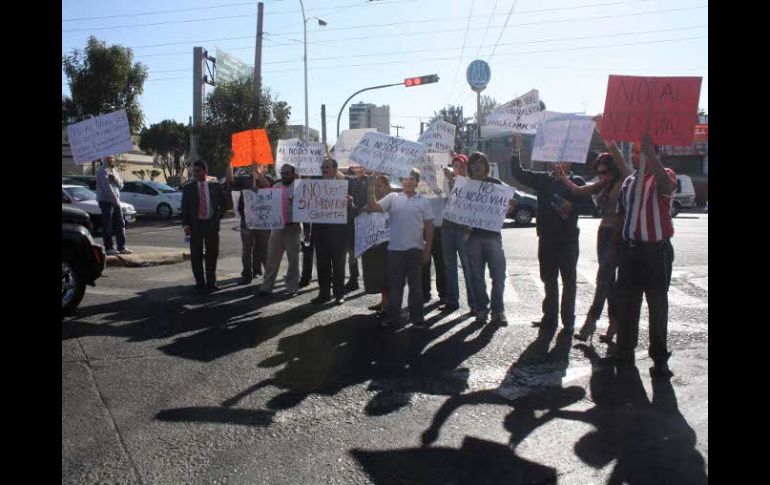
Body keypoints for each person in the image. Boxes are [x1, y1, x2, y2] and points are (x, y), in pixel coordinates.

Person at [554, 118, 632, 344]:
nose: (602, 175)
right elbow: (579, 191)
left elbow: (618, 157)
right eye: (599, 172)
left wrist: (605, 135)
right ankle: (614, 325)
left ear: (613, 169)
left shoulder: (624, 179)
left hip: (618, 234)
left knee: (603, 279)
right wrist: (563, 178)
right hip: (603, 233)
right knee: (609, 283)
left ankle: (590, 322)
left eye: (605, 171)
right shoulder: (604, 184)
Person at [612, 133, 678, 378]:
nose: (635, 156)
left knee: (657, 306)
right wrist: (613, 248)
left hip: (655, 252)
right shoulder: (630, 181)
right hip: (630, 250)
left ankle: (660, 359)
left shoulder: (664, 175)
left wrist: (651, 154)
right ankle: (624, 352)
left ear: (654, 153)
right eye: (634, 152)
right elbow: (622, 214)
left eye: (641, 152)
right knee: (627, 304)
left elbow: (667, 188)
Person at [510, 134, 586, 330]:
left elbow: (590, 206)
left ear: (571, 161)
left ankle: (568, 322)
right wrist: (516, 149)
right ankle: (549, 318)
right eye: (556, 159)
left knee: (569, 281)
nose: (559, 163)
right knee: (549, 280)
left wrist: (572, 207)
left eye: (564, 159)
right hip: (546, 239)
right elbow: (518, 173)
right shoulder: (543, 179)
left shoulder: (577, 181)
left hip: (568, 240)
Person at [367, 168, 434, 329]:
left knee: (416, 287)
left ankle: (417, 317)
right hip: (395, 250)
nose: (408, 182)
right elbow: (373, 207)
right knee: (395, 287)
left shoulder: (424, 201)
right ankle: (393, 318)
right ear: (401, 181)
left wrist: (427, 250)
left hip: (415, 250)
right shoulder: (393, 197)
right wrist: (370, 187)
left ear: (417, 182)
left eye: (412, 179)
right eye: (405, 179)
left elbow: (429, 227)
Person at [464, 152, 516, 326]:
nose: (477, 166)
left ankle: (498, 310)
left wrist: (510, 206)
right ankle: (482, 310)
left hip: (493, 236)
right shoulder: (465, 186)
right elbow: (457, 209)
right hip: (472, 237)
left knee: (499, 276)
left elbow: (508, 204)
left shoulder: (495, 184)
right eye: (474, 163)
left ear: (486, 166)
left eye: (481, 162)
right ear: (470, 167)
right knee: (476, 277)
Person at [181, 160, 228, 291]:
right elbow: (184, 208)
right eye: (194, 171)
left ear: (205, 171)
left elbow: (224, 203)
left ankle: (211, 283)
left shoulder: (215, 186)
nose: (196, 174)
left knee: (212, 254)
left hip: (211, 225)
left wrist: (218, 218)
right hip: (195, 226)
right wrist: (185, 225)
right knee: (196, 255)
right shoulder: (188, 188)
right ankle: (200, 283)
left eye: (198, 171)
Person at [440, 153, 477, 314]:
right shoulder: (446, 181)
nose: (458, 169)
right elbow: (446, 199)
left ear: (467, 168)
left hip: (464, 230)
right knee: (449, 266)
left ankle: (474, 304)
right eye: (455, 166)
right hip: (447, 228)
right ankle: (452, 301)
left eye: (462, 166)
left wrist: (470, 228)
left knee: (468, 267)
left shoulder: (472, 184)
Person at [258, 163, 301, 297]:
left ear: (293, 174)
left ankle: (292, 287)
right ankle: (266, 287)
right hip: (277, 228)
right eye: (282, 173)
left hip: (293, 228)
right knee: (272, 258)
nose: (284, 176)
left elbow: (307, 206)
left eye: (287, 173)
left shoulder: (300, 186)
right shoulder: (276, 186)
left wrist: (296, 203)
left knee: (293, 260)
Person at [311, 158, 350, 305]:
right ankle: (324, 294)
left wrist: (350, 202)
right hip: (320, 231)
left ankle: (339, 294)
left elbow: (355, 206)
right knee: (322, 264)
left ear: (335, 169)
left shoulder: (344, 184)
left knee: (338, 264)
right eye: (322, 167)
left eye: (327, 167)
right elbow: (307, 203)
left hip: (338, 233)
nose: (324, 169)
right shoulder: (314, 185)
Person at [226, 162, 272, 285]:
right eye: (256, 165)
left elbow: (267, 185)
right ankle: (247, 274)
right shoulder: (246, 180)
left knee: (265, 249)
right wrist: (230, 163)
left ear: (266, 169)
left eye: (262, 166)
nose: (258, 167)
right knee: (246, 250)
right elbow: (230, 180)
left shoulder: (269, 180)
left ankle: (268, 277)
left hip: (263, 222)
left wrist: (258, 174)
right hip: (247, 221)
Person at [360, 174, 392, 315]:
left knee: (388, 273)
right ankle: (384, 301)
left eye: (379, 186)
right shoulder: (373, 200)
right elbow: (364, 211)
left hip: (389, 244)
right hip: (376, 244)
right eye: (375, 186)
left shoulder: (391, 199)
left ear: (387, 186)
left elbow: (374, 208)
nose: (376, 189)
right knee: (380, 273)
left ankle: (390, 304)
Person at [95, 156, 131, 256]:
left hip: (116, 202)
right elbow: (107, 187)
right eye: (109, 159)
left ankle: (121, 247)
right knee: (108, 225)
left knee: (120, 224)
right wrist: (115, 200)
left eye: (112, 158)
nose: (112, 160)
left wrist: (115, 178)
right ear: (105, 160)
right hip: (106, 202)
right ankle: (109, 248)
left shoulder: (114, 170)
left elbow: (121, 185)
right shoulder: (101, 171)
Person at [344, 166, 368, 293]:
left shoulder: (370, 180)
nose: (359, 169)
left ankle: (370, 280)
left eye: (361, 166)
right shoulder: (350, 180)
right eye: (356, 166)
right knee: (351, 251)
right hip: (351, 221)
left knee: (367, 252)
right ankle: (354, 278)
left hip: (366, 220)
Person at [423, 194, 447, 304]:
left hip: (440, 228)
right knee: (423, 262)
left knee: (441, 263)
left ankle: (443, 294)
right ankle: (424, 294)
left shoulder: (444, 185)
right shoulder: (418, 185)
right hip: (422, 227)